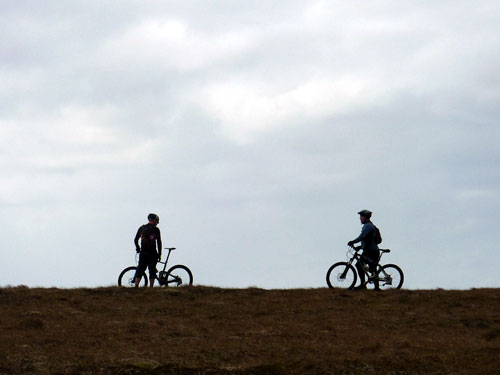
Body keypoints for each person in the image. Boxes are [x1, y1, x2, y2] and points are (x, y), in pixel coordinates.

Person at [348, 209, 380, 290]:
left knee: (359, 265)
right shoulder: (370, 225)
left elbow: (362, 236)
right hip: (372, 250)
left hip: (371, 251)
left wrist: (353, 241)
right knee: (372, 267)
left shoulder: (368, 226)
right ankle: (376, 287)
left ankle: (363, 285)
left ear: (366, 217)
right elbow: (368, 240)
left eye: (361, 216)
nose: (360, 218)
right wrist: (360, 247)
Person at [133, 213, 162, 287]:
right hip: (152, 253)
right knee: (152, 270)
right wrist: (159, 254)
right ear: (153, 220)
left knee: (140, 269)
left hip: (143, 252)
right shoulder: (156, 229)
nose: (157, 223)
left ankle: (136, 285)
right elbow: (159, 242)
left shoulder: (142, 228)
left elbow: (136, 239)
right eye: (157, 221)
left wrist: (138, 248)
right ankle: (151, 287)